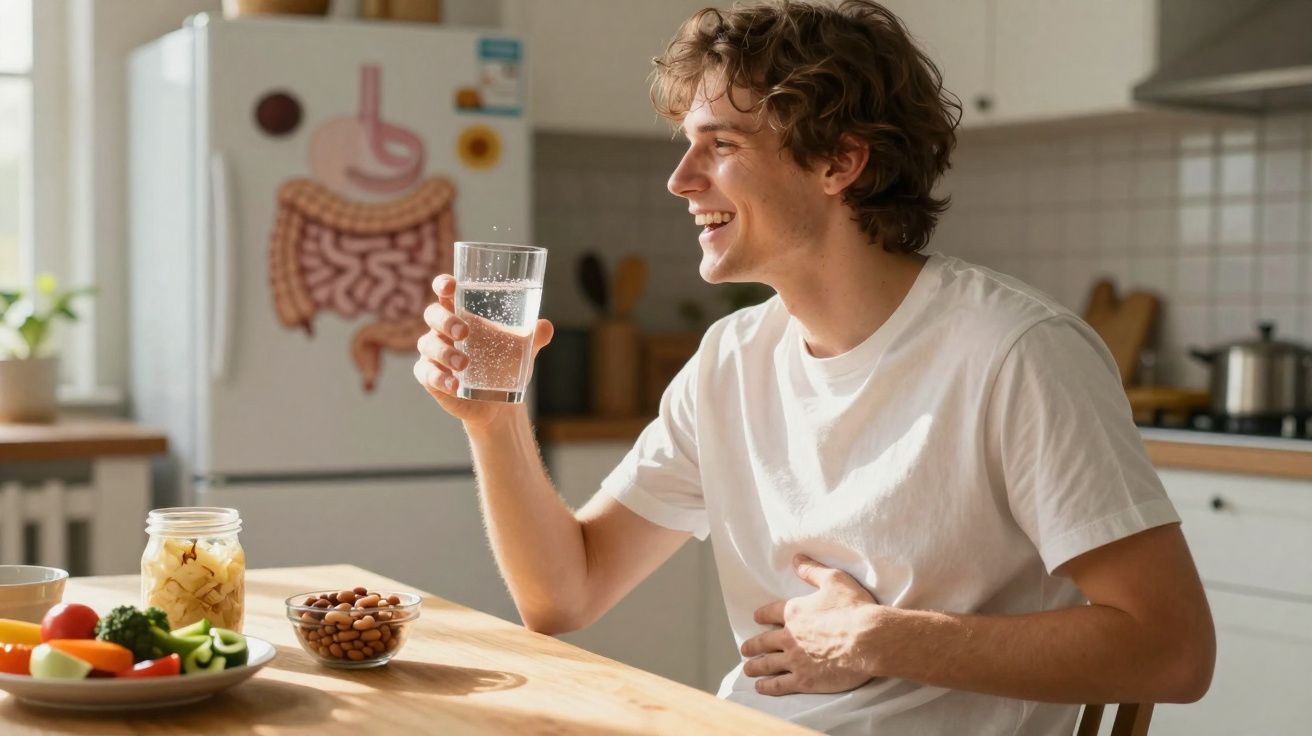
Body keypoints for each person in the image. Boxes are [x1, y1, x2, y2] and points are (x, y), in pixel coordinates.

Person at [415, 1, 1216, 733]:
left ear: (840, 163)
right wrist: (495, 419)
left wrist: (879, 640)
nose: (680, 180)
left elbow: (1173, 651)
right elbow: (565, 592)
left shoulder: (1016, 354)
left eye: (721, 145)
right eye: (686, 144)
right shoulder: (731, 360)